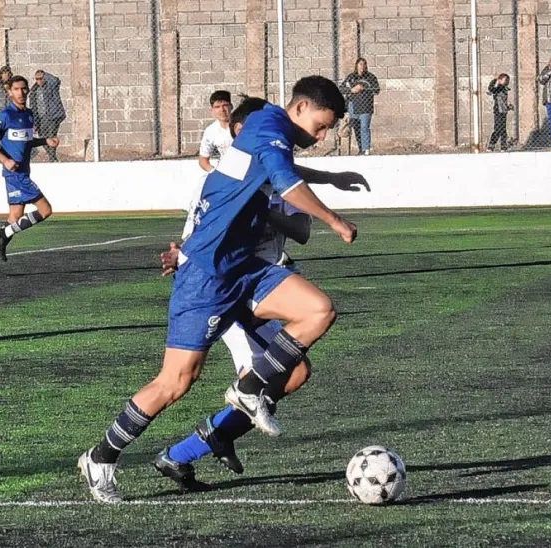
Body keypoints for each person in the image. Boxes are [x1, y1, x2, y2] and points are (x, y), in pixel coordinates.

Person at [78, 76, 359, 503]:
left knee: (318, 310)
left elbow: (282, 169)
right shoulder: (271, 127)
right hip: (207, 276)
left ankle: (247, 392)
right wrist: (336, 220)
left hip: (246, 269)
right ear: (300, 107)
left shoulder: (267, 130)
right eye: (321, 126)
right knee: (175, 382)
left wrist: (330, 176)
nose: (320, 137)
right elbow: (285, 182)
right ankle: (100, 457)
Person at [153, 96, 369, 491]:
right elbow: (201, 237)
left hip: (265, 279)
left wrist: (320, 181)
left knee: (295, 372)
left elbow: (301, 233)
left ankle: (194, 446)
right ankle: (194, 444)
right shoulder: (229, 179)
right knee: (247, 378)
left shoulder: (280, 175)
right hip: (228, 287)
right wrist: (178, 253)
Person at [0, 75, 60, 277]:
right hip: (15, 174)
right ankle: (2, 233)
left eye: (24, 89)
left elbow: (25, 141)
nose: (21, 93)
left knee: (15, 217)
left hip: (22, 171)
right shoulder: (6, 115)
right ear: (9, 92)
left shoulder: (29, 115)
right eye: (16, 89)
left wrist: (44, 141)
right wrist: (4, 159)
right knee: (45, 209)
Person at [339, 58, 380, 155]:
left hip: (366, 106)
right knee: (356, 128)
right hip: (353, 106)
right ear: (356, 65)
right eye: (360, 64)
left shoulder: (371, 77)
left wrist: (364, 88)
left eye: (364, 64)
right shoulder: (351, 77)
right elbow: (341, 88)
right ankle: (361, 149)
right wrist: (351, 90)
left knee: (364, 127)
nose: (362, 67)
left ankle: (366, 150)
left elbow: (377, 90)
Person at [30, 70, 66, 162]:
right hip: (41, 118)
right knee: (43, 137)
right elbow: (33, 106)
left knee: (51, 136)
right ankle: (52, 157)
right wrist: (35, 122)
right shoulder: (34, 90)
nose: (39, 81)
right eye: (37, 79)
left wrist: (46, 75)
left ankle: (52, 158)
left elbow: (56, 80)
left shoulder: (51, 86)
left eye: (41, 78)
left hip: (52, 117)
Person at [198, 90, 233, 172]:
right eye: (217, 107)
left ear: (231, 106)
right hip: (226, 171)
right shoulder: (210, 131)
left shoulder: (242, 124)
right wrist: (214, 172)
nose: (222, 110)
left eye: (225, 105)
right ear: (212, 110)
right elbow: (203, 159)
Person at [487, 73, 513, 151]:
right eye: (505, 80)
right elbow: (492, 89)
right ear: (500, 80)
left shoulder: (504, 88)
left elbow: (503, 101)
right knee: (498, 129)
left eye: (508, 80)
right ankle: (491, 145)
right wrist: (496, 80)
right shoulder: (498, 87)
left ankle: (503, 147)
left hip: (503, 111)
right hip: (498, 111)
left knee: (503, 130)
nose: (507, 82)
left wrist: (508, 107)